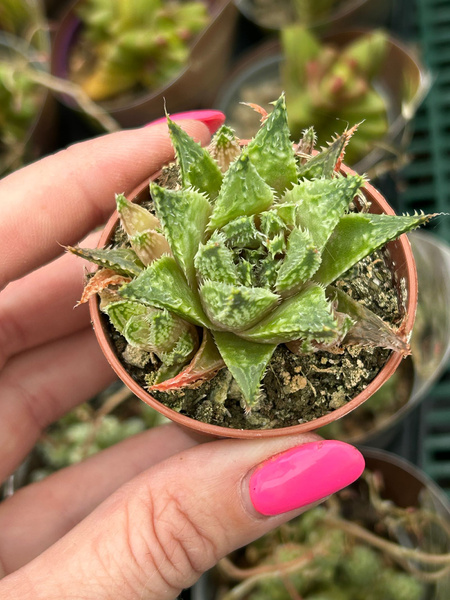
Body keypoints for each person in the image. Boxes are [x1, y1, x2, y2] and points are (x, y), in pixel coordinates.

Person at [0, 114, 365, 599]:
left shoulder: (304, 274)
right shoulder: (182, 264)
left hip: (289, 315)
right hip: (202, 316)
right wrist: (172, 540)